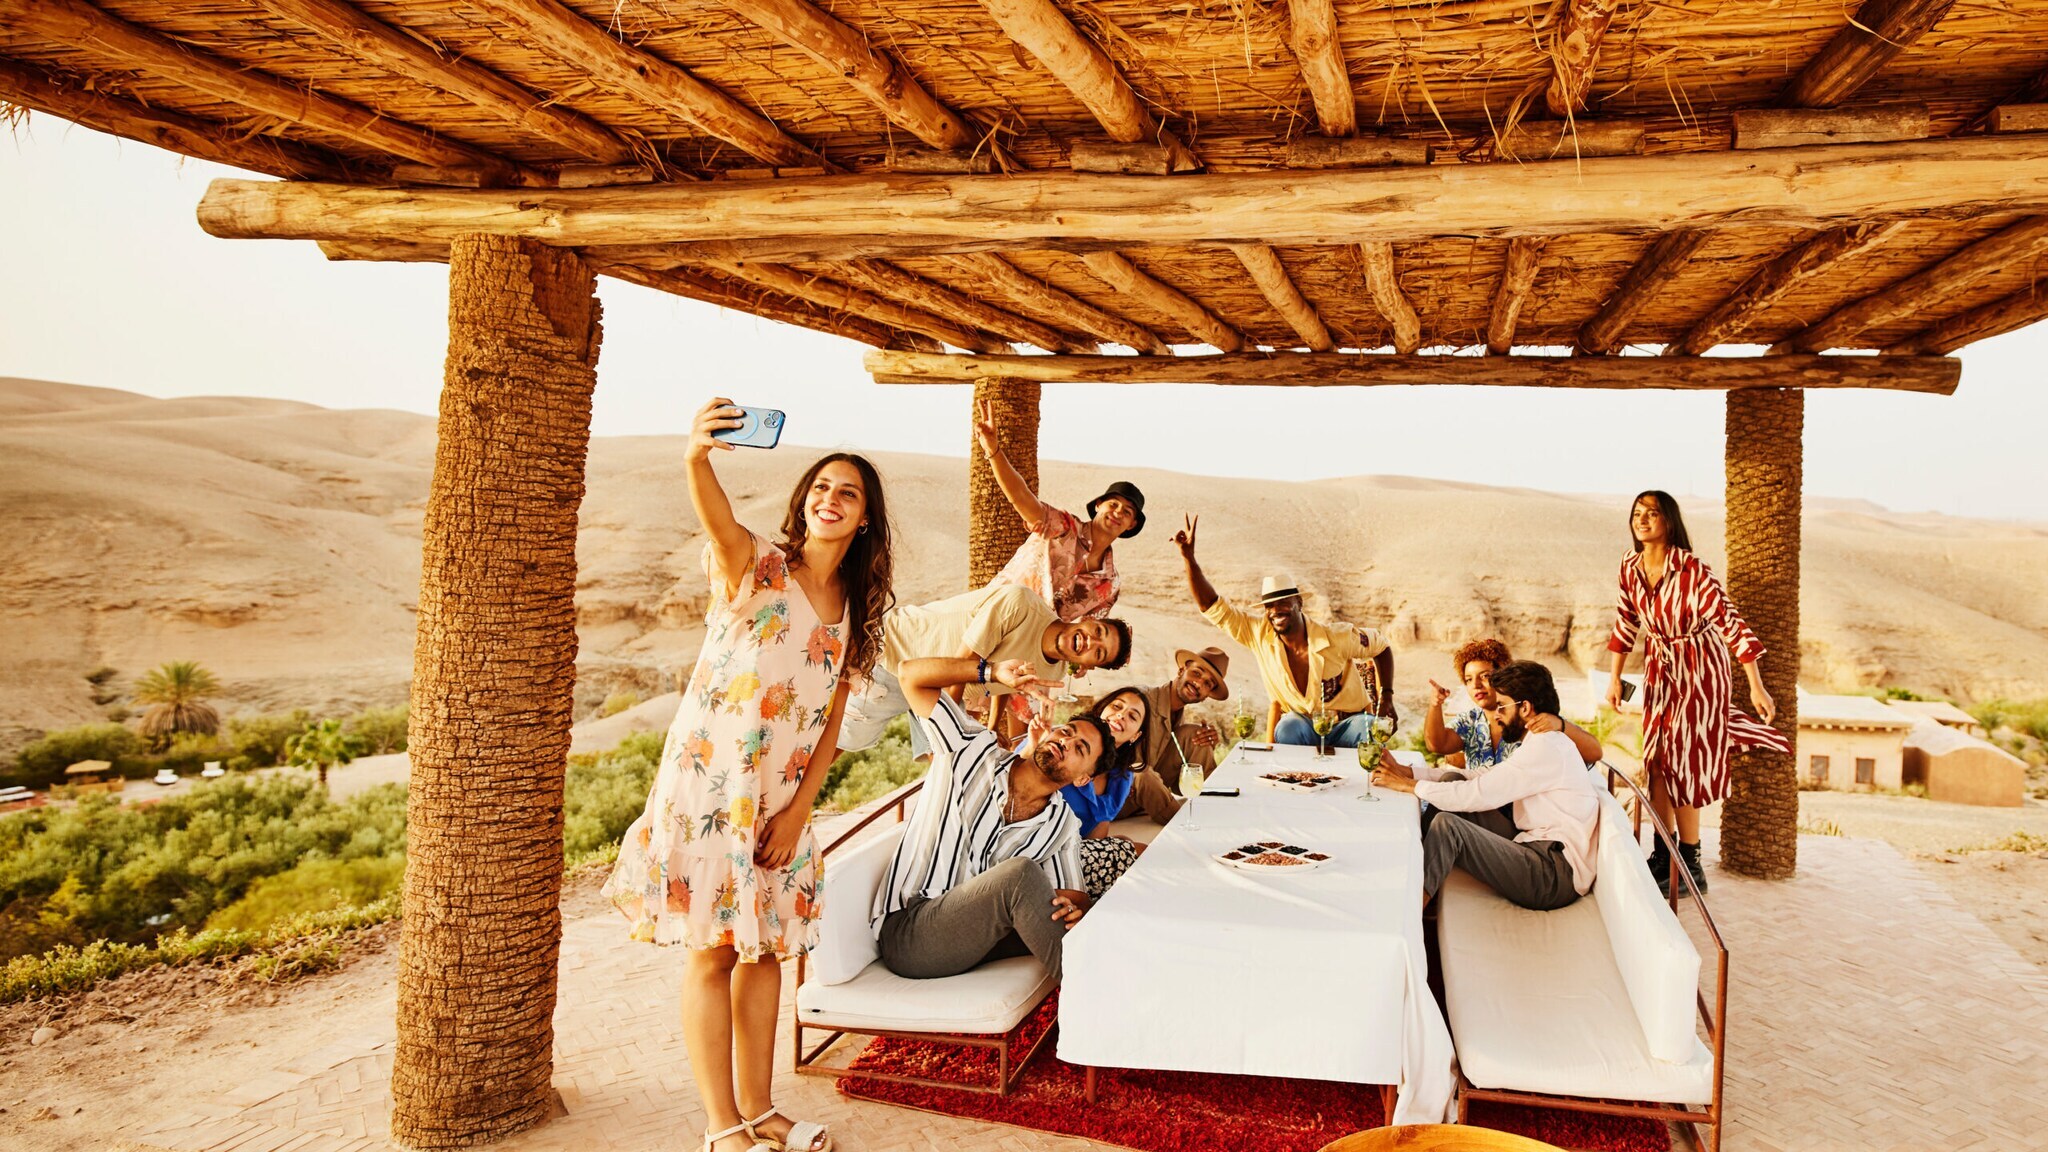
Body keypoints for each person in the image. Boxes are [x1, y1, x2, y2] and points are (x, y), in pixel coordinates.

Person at [602, 398, 893, 1152]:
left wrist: (800, 813)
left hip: (782, 801)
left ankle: (763, 1111)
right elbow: (718, 522)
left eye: (848, 492)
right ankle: (722, 1126)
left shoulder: (852, 611)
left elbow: (830, 720)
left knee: (765, 953)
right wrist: (696, 458)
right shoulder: (758, 565)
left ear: (864, 519)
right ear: (804, 502)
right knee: (715, 950)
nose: (830, 499)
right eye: (820, 488)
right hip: (710, 790)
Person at [872, 655, 1112, 982]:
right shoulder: (970, 749)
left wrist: (1073, 909)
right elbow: (910, 676)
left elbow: (1074, 896)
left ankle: (1127, 982)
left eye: (1079, 749)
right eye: (1067, 731)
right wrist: (991, 672)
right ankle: (1096, 998)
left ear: (1083, 778)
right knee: (1020, 875)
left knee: (1111, 921)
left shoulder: (1061, 825)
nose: (1065, 741)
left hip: (977, 936)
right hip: (912, 931)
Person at [1604, 490, 1788, 893]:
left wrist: (1755, 685)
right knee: (1655, 760)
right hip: (1659, 668)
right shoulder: (1630, 567)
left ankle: (1691, 864)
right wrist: (1615, 678)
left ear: (1670, 521)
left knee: (1683, 764)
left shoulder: (1690, 569)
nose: (1643, 519)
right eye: (1638, 513)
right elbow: (1625, 622)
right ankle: (1663, 854)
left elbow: (1730, 621)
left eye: (1653, 513)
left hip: (1700, 669)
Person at [1374, 662, 1603, 913]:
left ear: (1525, 708)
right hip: (1531, 845)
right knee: (1453, 780)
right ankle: (1417, 872)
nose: (1497, 715)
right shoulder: (1541, 742)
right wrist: (1409, 773)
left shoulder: (1546, 747)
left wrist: (1409, 785)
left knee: (1448, 827)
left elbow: (1476, 794)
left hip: (1552, 873)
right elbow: (1478, 776)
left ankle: (1411, 911)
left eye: (1502, 706)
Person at [835, 582, 1131, 758]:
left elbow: (1007, 683)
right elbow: (964, 663)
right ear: (1089, 620)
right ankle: (794, 800)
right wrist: (949, 739)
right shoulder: (1021, 604)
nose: (1091, 641)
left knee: (955, 759)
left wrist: (990, 726)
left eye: (1099, 653)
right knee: (838, 738)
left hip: (936, 687)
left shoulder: (1053, 674)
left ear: (1090, 666)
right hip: (897, 654)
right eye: (1098, 631)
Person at [1174, 514, 1394, 748]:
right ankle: (1293, 782)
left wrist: (1387, 696)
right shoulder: (1258, 633)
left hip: (1346, 727)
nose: (1276, 610)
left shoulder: (1335, 636)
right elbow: (1211, 606)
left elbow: (1381, 646)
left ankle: (1366, 782)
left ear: (1299, 603)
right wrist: (1189, 558)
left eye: (1284, 602)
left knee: (1370, 726)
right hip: (1302, 731)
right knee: (1289, 726)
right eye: (1269, 605)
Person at [975, 396, 1145, 620]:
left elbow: (1086, 635)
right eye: (1113, 504)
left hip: (1029, 650)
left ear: (1131, 524)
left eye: (1127, 512)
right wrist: (993, 451)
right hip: (990, 616)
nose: (1117, 513)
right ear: (1098, 505)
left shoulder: (1110, 585)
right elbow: (1020, 496)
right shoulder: (1063, 526)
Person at [1423, 638, 1603, 770]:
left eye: (1485, 676)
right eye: (1469, 679)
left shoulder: (1526, 714)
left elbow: (1594, 753)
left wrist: (1560, 725)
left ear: (1502, 675)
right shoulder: (1469, 721)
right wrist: (1435, 704)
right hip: (1480, 804)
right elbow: (1437, 745)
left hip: (1518, 815)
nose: (1476, 685)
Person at [1118, 647, 1232, 824]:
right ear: (1181, 670)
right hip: (1117, 793)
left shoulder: (1178, 717)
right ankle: (1187, 822)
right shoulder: (1142, 701)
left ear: (1207, 695)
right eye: (1196, 673)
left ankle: (1210, 803)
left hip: (1148, 790)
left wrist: (1209, 744)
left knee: (1196, 735)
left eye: (1208, 684)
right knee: (1141, 772)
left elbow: (1177, 784)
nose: (1199, 684)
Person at [1055, 687, 1150, 896]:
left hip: (1076, 850)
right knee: (1140, 852)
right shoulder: (1065, 740)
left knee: (1126, 845)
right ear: (1102, 709)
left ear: (1136, 735)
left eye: (1132, 716)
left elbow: (1096, 837)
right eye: (1117, 706)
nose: (1121, 715)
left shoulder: (1121, 778)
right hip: (1044, 846)